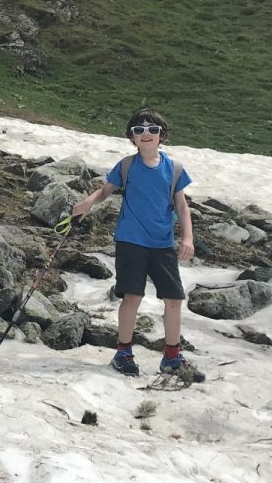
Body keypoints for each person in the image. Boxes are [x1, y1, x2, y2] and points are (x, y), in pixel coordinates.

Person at [69, 108, 204, 382]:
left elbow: (181, 205)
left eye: (152, 130)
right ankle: (123, 353)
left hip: (162, 243)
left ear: (161, 136)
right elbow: (106, 190)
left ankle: (172, 357)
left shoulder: (174, 169)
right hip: (131, 240)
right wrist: (87, 203)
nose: (146, 134)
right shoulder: (127, 166)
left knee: (174, 299)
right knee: (133, 296)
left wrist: (188, 237)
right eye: (138, 130)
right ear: (131, 137)